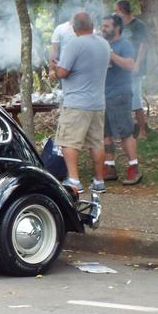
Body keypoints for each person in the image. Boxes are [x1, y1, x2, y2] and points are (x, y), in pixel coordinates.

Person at [54, 11, 111, 194]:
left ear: (74, 28)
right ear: (91, 25)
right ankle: (99, 181)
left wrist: (55, 66)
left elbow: (62, 72)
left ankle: (74, 181)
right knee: (96, 143)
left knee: (69, 142)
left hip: (76, 103)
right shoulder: (104, 44)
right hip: (98, 102)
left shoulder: (74, 44)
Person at [101, 14, 142, 185]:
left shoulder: (124, 44)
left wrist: (111, 55)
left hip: (120, 93)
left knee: (125, 132)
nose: (103, 29)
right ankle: (109, 167)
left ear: (116, 28)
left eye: (106, 26)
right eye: (102, 26)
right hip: (102, 95)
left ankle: (134, 168)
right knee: (106, 134)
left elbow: (130, 65)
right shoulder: (102, 44)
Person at [114, 0, 149, 138]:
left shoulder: (138, 25)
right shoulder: (119, 25)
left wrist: (138, 64)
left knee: (135, 99)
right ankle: (127, 130)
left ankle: (143, 131)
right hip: (122, 67)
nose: (115, 13)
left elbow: (143, 45)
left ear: (123, 11)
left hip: (135, 67)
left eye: (116, 11)